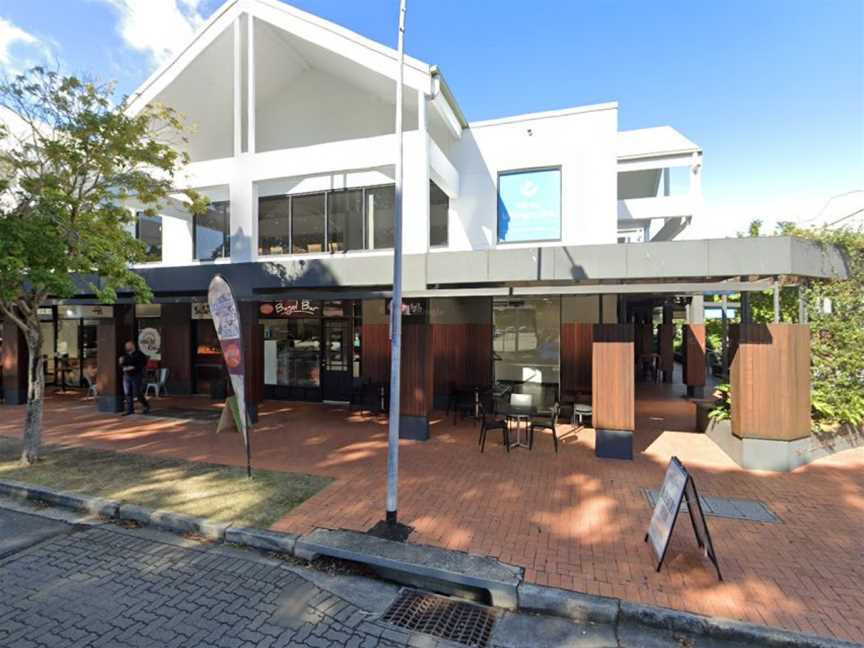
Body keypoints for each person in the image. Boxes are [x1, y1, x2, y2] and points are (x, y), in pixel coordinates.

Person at [118, 341, 150, 416]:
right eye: (126, 346)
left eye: (128, 345)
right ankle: (130, 410)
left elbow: (143, 364)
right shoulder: (125, 355)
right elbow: (122, 365)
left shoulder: (139, 354)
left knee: (137, 393)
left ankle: (146, 405)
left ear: (133, 346)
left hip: (136, 376)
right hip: (126, 376)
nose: (126, 347)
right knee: (128, 393)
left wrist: (133, 367)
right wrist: (120, 363)